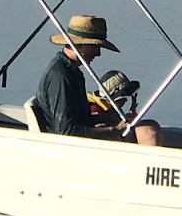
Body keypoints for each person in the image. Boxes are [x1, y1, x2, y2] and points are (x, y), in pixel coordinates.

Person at [33, 15, 163, 146]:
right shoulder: (61, 76)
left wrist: (104, 117)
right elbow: (66, 131)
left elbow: (79, 120)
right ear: (80, 45)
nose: (98, 54)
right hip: (70, 147)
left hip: (79, 140)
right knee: (148, 132)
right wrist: (114, 130)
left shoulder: (73, 72)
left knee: (151, 125)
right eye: (96, 47)